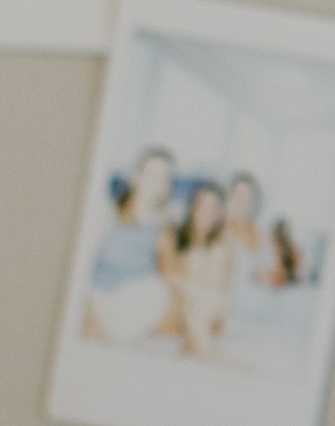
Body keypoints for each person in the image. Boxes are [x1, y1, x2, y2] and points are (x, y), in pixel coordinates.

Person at [83, 147, 176, 344]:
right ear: (137, 176)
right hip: (96, 296)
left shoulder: (162, 226)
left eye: (163, 177)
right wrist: (90, 313)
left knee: (156, 290)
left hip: (130, 300)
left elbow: (166, 276)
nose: (156, 182)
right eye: (152, 174)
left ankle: (111, 336)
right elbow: (83, 270)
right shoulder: (107, 214)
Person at [164, 181, 234, 358]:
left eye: (212, 208)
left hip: (206, 310)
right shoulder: (176, 234)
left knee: (205, 301)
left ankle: (199, 344)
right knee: (195, 300)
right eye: (201, 206)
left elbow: (216, 288)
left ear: (219, 214)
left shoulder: (221, 244)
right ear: (192, 207)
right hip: (179, 304)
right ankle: (202, 346)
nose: (206, 213)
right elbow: (167, 274)